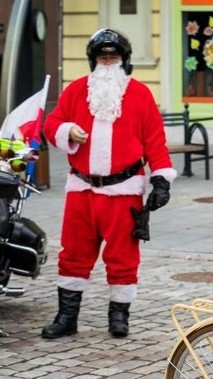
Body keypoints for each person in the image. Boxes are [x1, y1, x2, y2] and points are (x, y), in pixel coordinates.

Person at [41, 28, 176, 339]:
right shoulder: (76, 91)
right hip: (82, 189)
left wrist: (161, 179)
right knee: (73, 253)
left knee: (123, 257)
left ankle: (119, 316)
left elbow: (155, 140)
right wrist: (68, 130)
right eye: (102, 58)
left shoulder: (140, 94)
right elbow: (52, 124)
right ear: (93, 61)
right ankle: (67, 317)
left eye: (113, 58)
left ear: (124, 60)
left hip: (123, 191)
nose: (107, 63)